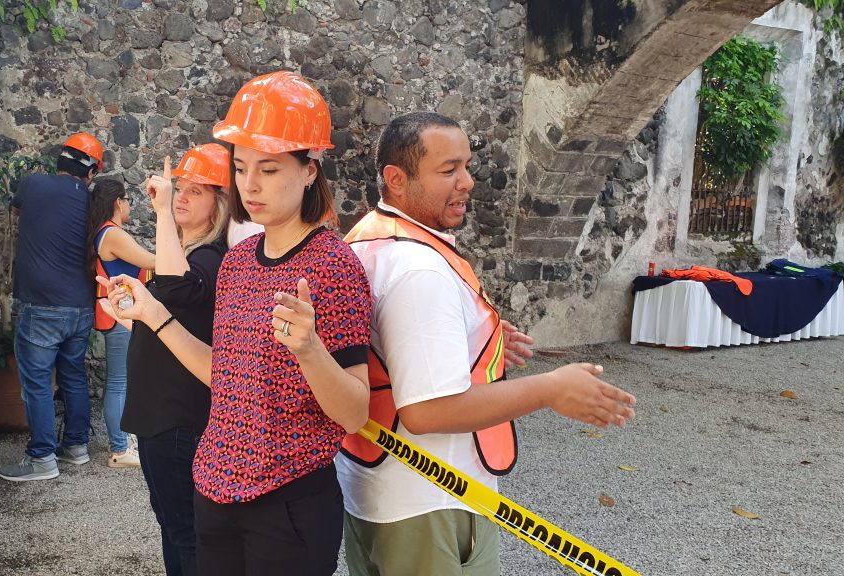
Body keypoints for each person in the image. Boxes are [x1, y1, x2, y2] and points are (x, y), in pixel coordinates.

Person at [336, 112, 638, 575]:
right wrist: (551, 389)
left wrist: (482, 339)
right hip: (431, 502)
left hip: (379, 493)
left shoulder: (365, 241)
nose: (468, 182)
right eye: (448, 170)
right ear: (396, 180)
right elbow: (429, 411)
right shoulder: (420, 270)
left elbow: (389, 352)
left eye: (467, 166)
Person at [99, 71, 371, 576]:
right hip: (215, 488)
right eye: (242, 167)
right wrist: (152, 312)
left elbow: (355, 412)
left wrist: (309, 350)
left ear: (310, 169)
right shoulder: (239, 261)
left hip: (287, 500)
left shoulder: (333, 265)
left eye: (268, 169)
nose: (249, 185)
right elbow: (222, 374)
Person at [101, 144, 230, 576]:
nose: (181, 197)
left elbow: (175, 290)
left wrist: (159, 214)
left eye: (196, 191)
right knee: (174, 527)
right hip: (164, 416)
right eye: (181, 189)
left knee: (185, 533)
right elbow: (166, 328)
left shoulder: (210, 257)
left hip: (179, 418)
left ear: (220, 203)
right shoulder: (191, 254)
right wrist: (128, 314)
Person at [0, 132, 103, 482]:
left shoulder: (33, 185)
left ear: (60, 160)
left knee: (38, 383)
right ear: (90, 173)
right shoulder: (91, 202)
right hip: (81, 306)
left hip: (41, 306)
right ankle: (76, 447)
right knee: (73, 376)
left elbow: (16, 211)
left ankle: (42, 458)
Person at [86, 177, 156, 468]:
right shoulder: (112, 233)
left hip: (121, 311)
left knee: (122, 380)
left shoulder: (106, 232)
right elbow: (152, 261)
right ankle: (119, 448)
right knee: (118, 381)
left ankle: (123, 441)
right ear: (118, 202)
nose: (129, 205)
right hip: (120, 312)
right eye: (127, 200)